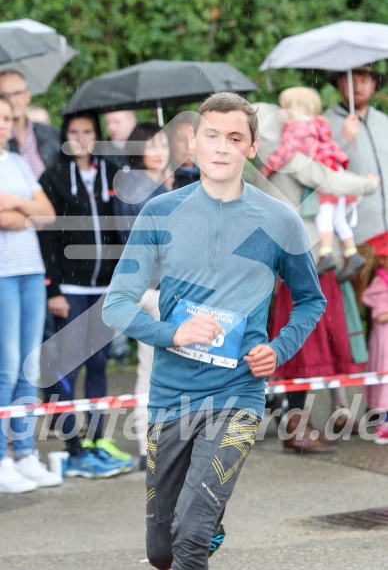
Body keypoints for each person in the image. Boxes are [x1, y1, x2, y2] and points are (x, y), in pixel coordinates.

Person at [103, 92, 326, 569]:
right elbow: (116, 304)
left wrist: (278, 348)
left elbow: (312, 299)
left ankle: (202, 524)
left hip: (239, 394)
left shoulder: (279, 219)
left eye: (234, 138)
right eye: (212, 136)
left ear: (251, 147)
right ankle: (206, 523)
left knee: (188, 542)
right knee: (162, 550)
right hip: (172, 396)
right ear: (192, 143)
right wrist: (172, 334)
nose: (222, 147)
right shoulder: (160, 213)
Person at [253, 100, 380, 451]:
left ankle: (295, 420)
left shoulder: (281, 154)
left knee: (305, 347)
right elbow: (328, 178)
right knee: (301, 348)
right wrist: (368, 184)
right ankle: (294, 426)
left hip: (303, 260)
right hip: (301, 262)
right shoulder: (289, 155)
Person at [38, 111, 135, 478]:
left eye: (88, 131)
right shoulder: (53, 177)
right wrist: (54, 289)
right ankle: (72, 444)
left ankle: (97, 440)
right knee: (68, 366)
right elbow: (46, 237)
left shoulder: (112, 173)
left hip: (105, 287)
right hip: (71, 289)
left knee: (98, 364)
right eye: (74, 131)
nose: (80, 137)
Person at [0, 94, 62, 493]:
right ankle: (2, 458)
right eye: (1, 117)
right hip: (3, 275)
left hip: (31, 271)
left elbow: (48, 215)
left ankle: (24, 453)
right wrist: (24, 213)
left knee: (26, 367)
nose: (6, 123)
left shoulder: (19, 162)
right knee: (5, 369)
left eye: (9, 117)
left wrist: (15, 205)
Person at [261, 87, 366, 282]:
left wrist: (268, 167)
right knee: (338, 220)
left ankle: (325, 256)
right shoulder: (319, 123)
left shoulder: (297, 127)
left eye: (284, 108)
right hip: (335, 170)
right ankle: (351, 253)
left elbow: (287, 151)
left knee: (324, 219)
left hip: (326, 179)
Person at [113, 122, 171, 470]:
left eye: (163, 143)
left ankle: (152, 445)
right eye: (152, 143)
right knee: (154, 371)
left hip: (154, 288)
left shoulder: (148, 185)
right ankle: (149, 447)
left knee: (154, 369)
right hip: (152, 291)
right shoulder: (138, 187)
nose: (160, 149)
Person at [324, 65, 388, 306]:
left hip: (386, 230)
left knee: (383, 314)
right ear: (340, 85)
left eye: (365, 81)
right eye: (352, 81)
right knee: (353, 305)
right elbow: (321, 173)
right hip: (354, 234)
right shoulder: (326, 123)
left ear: (374, 85)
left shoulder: (383, 121)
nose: (358, 86)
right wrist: (344, 139)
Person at [0, 71, 60, 177]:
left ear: (27, 96)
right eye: (5, 95)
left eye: (17, 93)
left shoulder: (52, 133)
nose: (12, 100)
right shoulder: (2, 138)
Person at [361, 231, 388, 444]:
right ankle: (383, 423)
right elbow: (380, 315)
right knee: (384, 381)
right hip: (384, 341)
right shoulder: (379, 284)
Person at [168, 112, 200, 189]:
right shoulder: (165, 178)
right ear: (170, 142)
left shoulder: (210, 174)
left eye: (192, 139)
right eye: (181, 139)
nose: (188, 146)